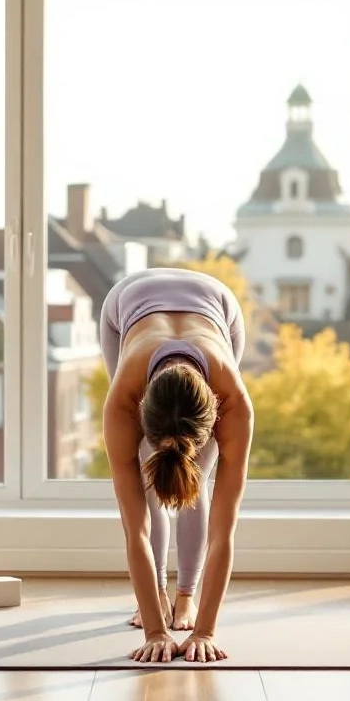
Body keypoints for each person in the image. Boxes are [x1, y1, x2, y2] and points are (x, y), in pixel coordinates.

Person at [98, 267, 254, 664]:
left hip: (217, 305)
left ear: (216, 418)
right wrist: (154, 630)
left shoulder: (233, 398)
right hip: (127, 302)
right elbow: (134, 530)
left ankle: (186, 595)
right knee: (149, 482)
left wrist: (205, 629)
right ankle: (158, 598)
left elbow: (225, 531)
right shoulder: (122, 398)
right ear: (139, 414)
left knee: (195, 482)